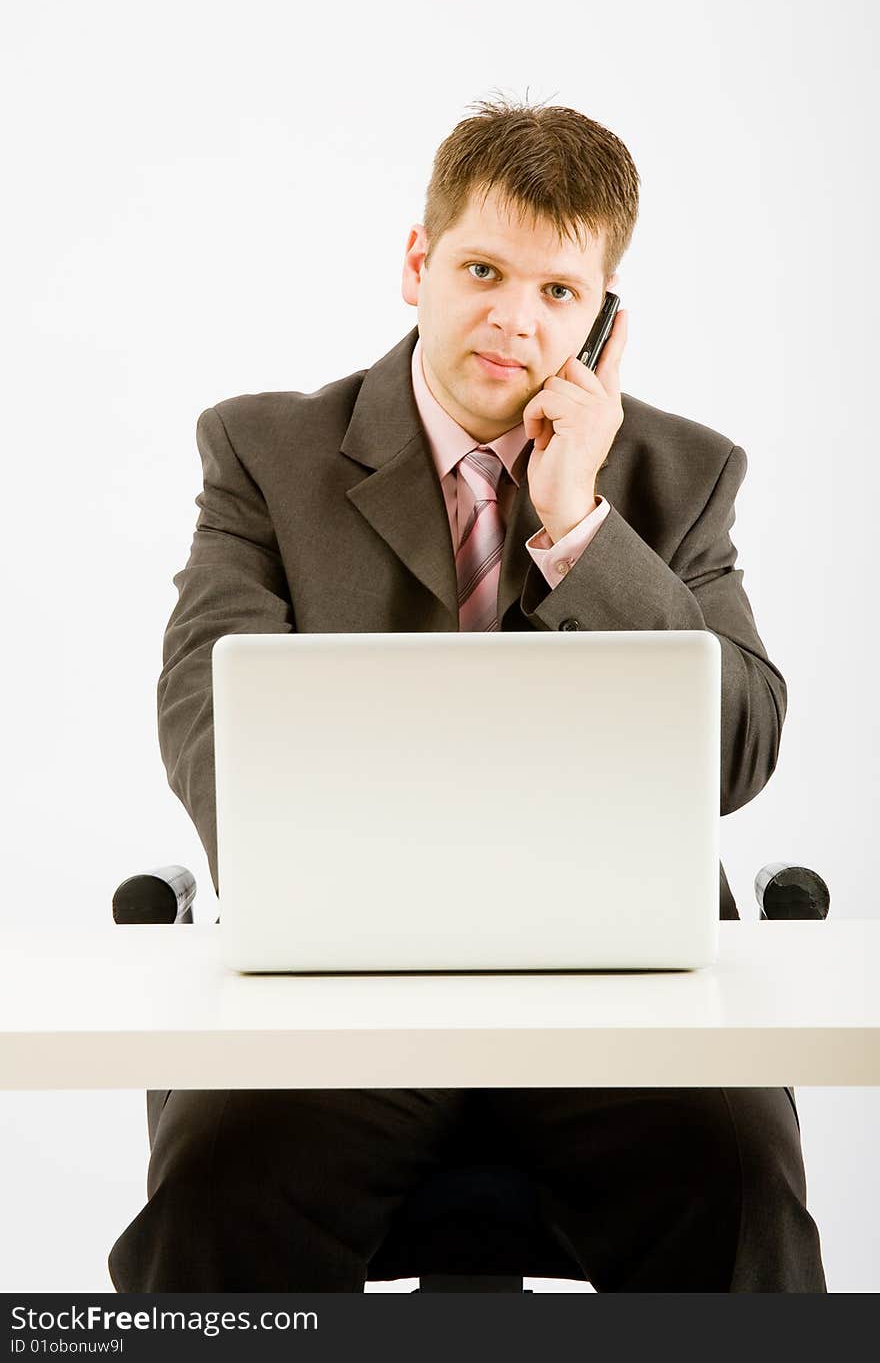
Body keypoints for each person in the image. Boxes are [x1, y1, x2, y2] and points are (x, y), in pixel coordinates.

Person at [108, 94, 826, 1292]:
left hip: (619, 991)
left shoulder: (680, 474)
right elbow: (208, 720)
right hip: (340, 992)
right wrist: (337, 895)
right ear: (417, 264)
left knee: (738, 1176)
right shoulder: (262, 451)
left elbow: (739, 749)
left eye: (559, 293)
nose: (514, 319)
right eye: (483, 269)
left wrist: (579, 523)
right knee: (220, 1182)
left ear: (604, 321)